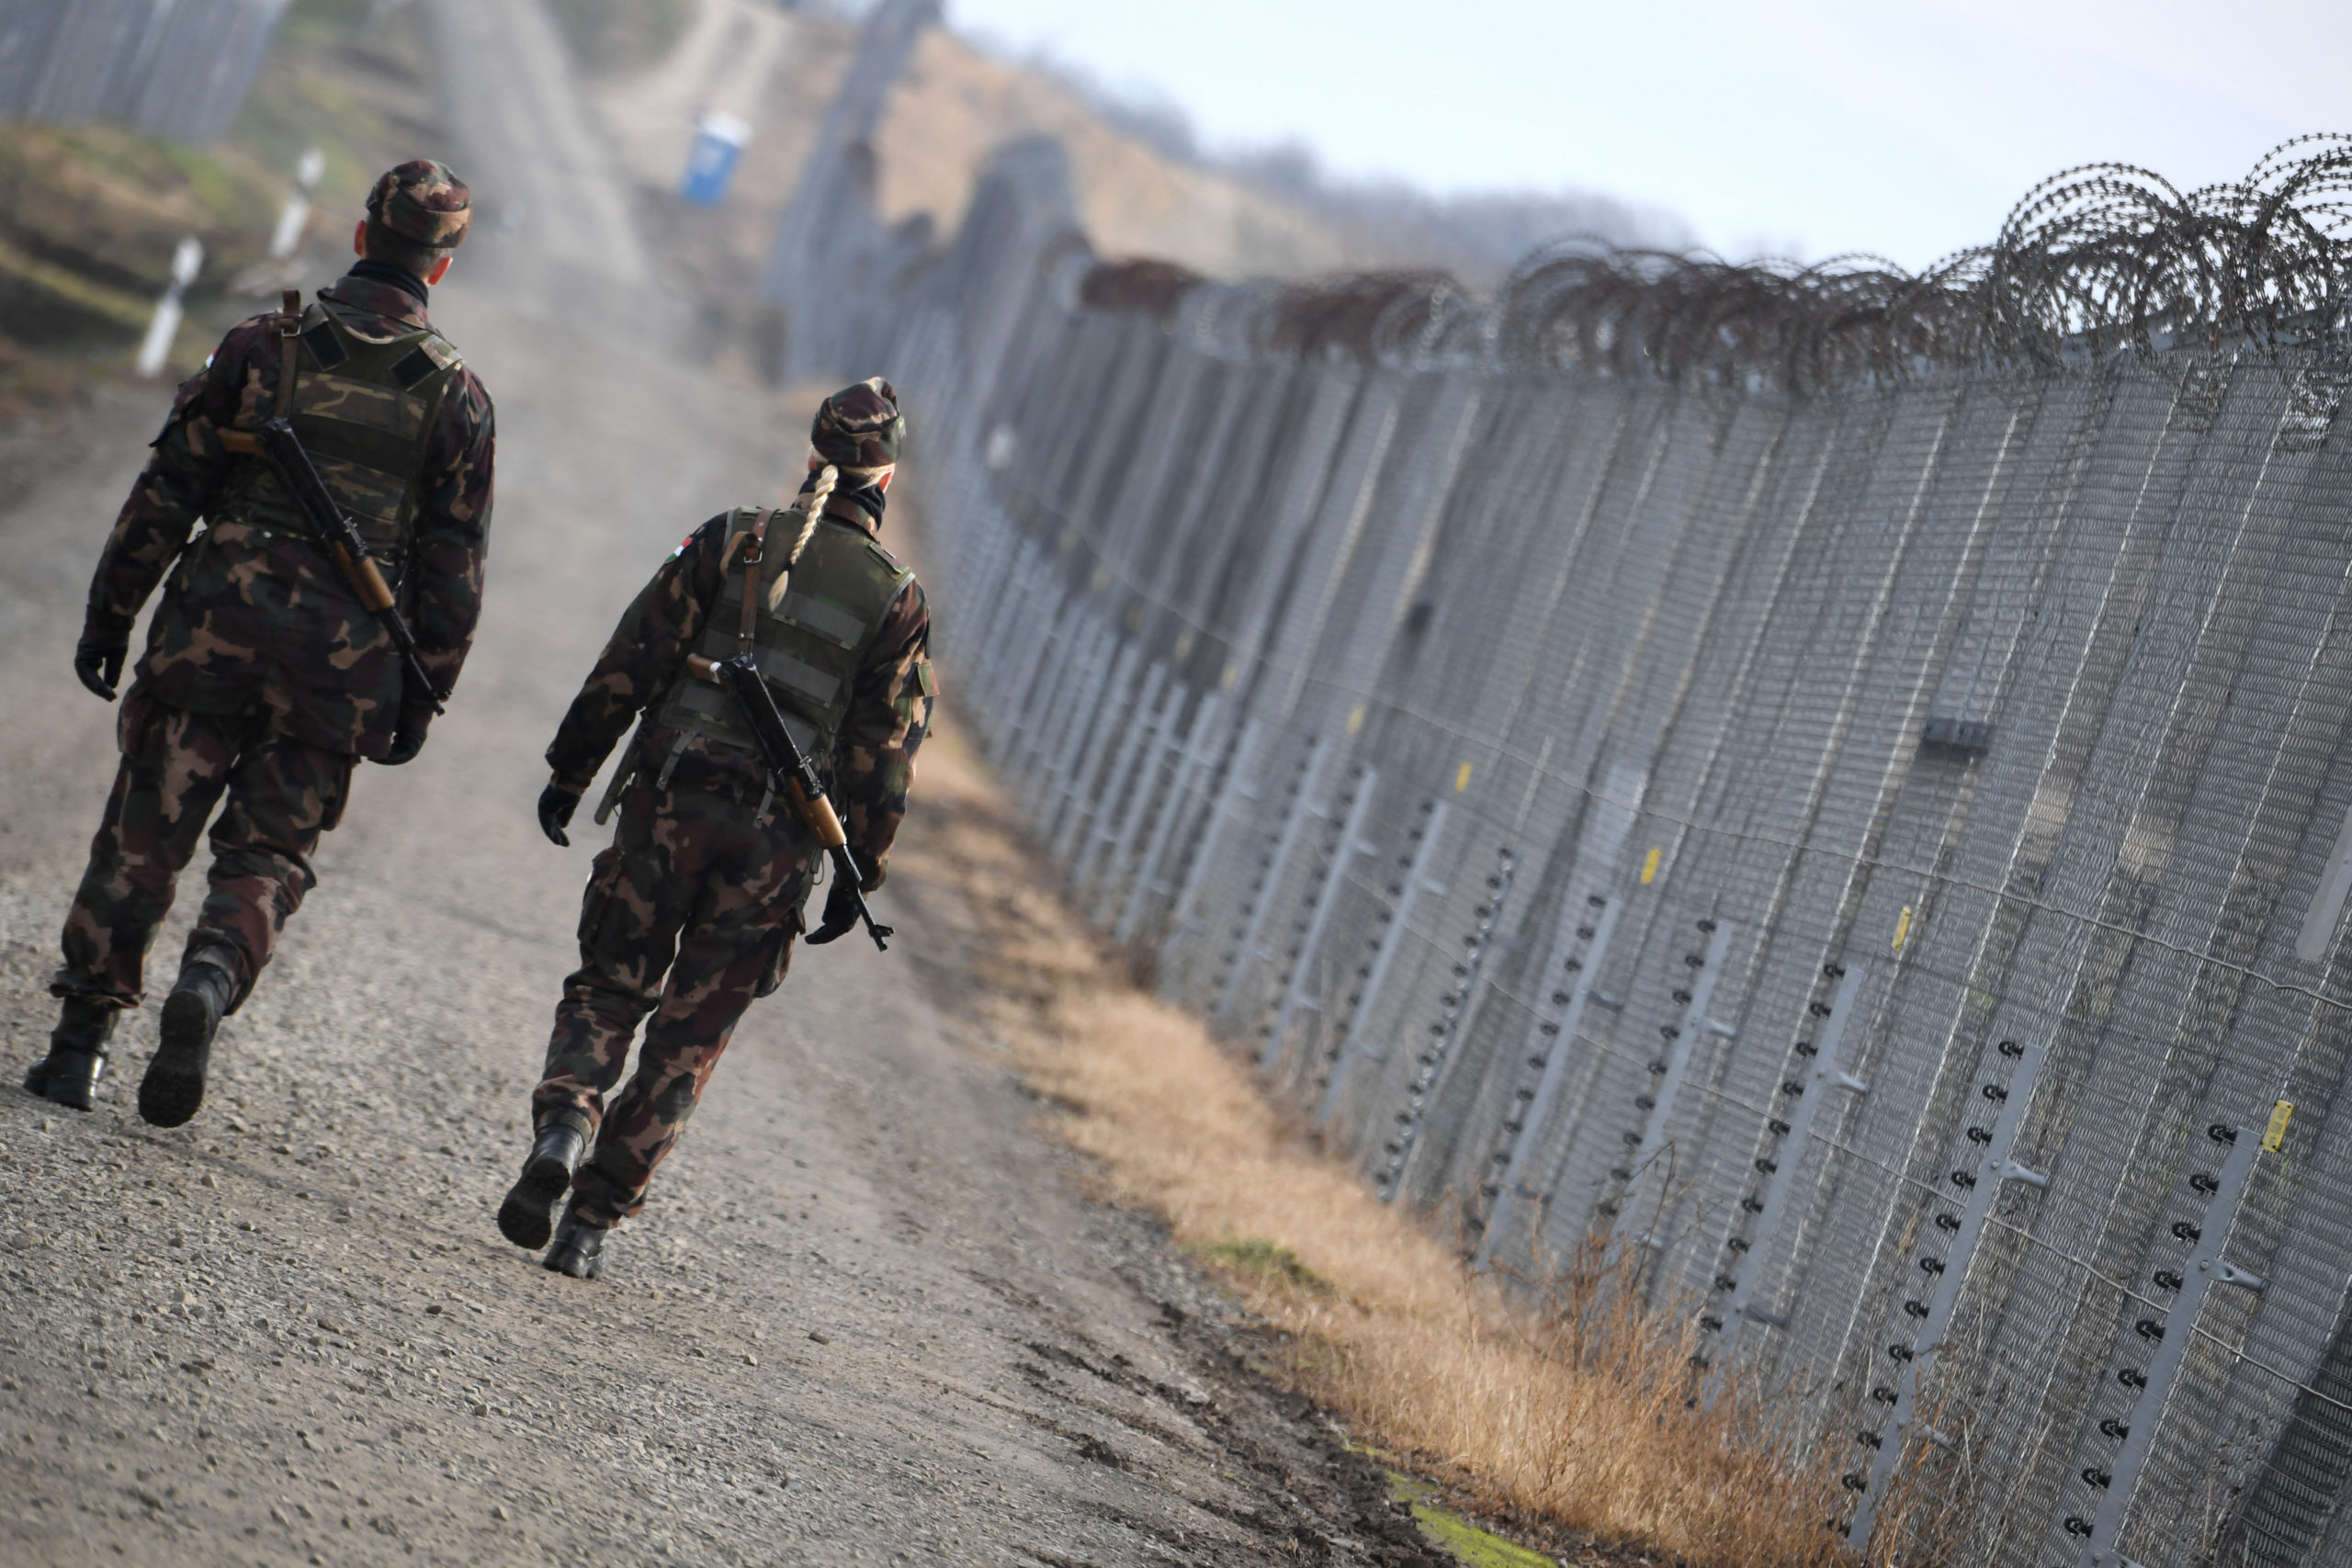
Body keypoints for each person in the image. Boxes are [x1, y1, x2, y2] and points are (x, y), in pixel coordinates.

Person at [23, 161, 495, 1124]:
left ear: (364, 236)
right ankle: (208, 973)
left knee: (145, 832)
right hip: (345, 662)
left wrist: (111, 613)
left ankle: (78, 1050)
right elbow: (453, 574)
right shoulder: (458, 401)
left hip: (210, 630)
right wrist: (420, 692)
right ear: (440, 269)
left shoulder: (257, 347)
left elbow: (166, 494)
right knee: (270, 851)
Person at [499, 378, 934, 1280]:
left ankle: (568, 1123)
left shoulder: (730, 541)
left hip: (668, 802)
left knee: (609, 988)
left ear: (813, 456)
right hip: (775, 849)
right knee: (689, 1039)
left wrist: (572, 767)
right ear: (885, 479)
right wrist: (863, 869)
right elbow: (882, 757)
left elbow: (633, 654)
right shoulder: (897, 601)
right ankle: (587, 1229)